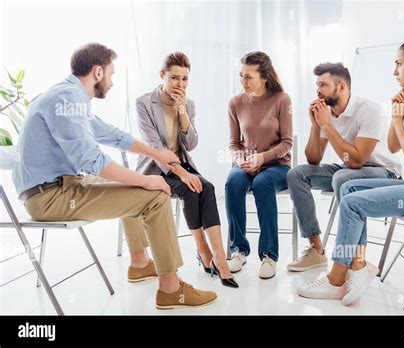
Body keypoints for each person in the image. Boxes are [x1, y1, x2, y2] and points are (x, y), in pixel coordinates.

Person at [12, 43, 217, 309]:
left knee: (130, 181)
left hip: (56, 189)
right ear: (98, 72)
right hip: (51, 197)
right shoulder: (67, 100)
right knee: (154, 195)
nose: (112, 80)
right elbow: (92, 160)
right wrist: (147, 179)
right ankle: (171, 289)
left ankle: (140, 263)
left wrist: (156, 154)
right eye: (111, 73)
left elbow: (110, 134)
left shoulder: (65, 96)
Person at [297, 37, 404, 306]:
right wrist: (399, 113)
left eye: (399, 64)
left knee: (352, 202)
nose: (395, 71)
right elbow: (396, 146)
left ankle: (337, 277)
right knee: (348, 187)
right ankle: (358, 264)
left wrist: (397, 118)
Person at [286, 62, 402, 272]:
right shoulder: (326, 113)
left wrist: (327, 126)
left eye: (323, 85)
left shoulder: (369, 110)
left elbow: (356, 160)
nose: (318, 91)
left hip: (384, 172)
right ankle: (316, 250)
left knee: (343, 177)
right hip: (349, 169)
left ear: (341, 87)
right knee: (297, 174)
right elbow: (313, 159)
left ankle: (357, 259)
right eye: (317, 85)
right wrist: (315, 125)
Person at [135, 52, 238, 288]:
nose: (180, 84)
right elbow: (155, 148)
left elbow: (191, 144)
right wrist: (184, 174)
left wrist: (182, 114)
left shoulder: (188, 104)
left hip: (182, 166)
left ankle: (220, 259)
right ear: (162, 75)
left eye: (185, 79)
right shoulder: (144, 103)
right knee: (190, 189)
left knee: (207, 187)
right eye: (174, 78)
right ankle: (203, 251)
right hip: (155, 171)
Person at [225, 51, 293, 279]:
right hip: (246, 164)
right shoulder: (235, 103)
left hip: (277, 166)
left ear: (264, 77)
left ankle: (269, 256)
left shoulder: (282, 100)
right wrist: (241, 160)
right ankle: (238, 250)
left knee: (263, 183)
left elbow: (287, 143)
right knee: (233, 182)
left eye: (248, 77)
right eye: (240, 76)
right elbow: (234, 143)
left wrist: (261, 158)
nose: (242, 82)